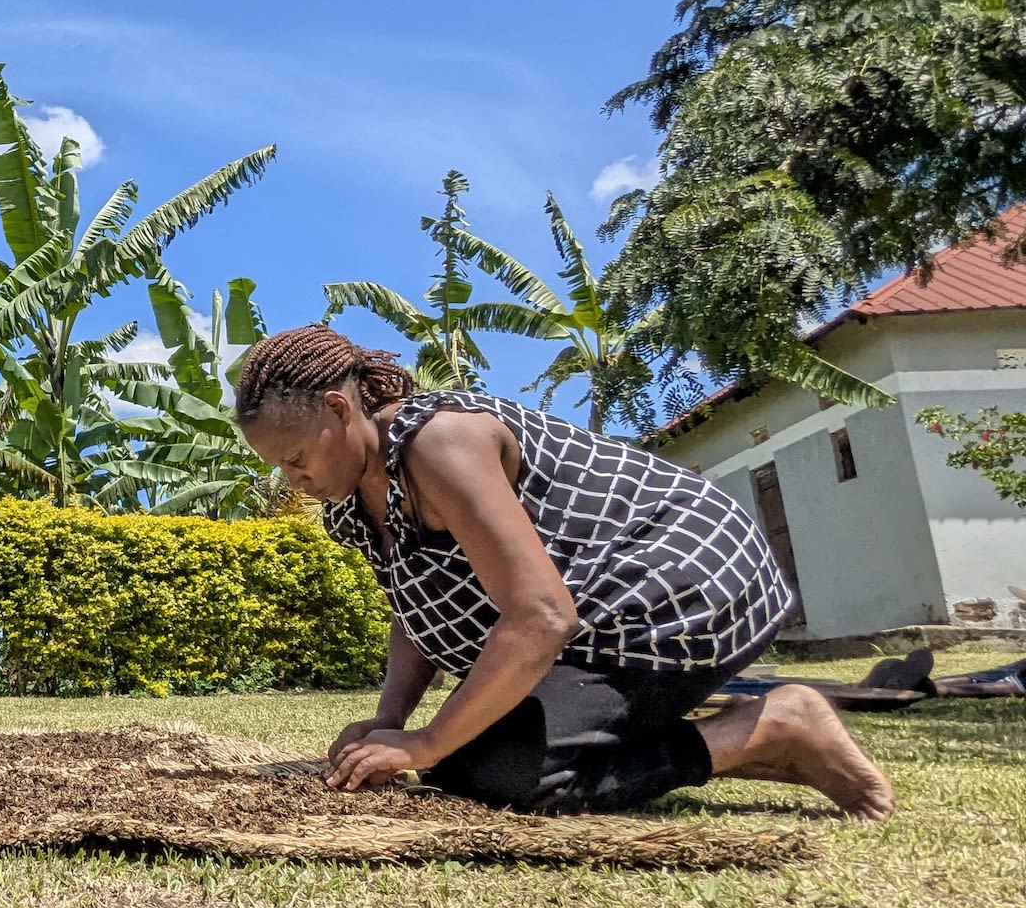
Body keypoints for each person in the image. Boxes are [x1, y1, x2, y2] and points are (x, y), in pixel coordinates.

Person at [230, 324, 893, 818]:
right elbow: (417, 607)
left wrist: (426, 740)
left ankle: (779, 726)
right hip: (595, 623)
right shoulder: (353, 501)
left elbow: (542, 617)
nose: (294, 479)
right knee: (464, 764)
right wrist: (390, 723)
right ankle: (750, 741)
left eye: (296, 457)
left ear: (340, 411)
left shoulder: (441, 444)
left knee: (508, 777)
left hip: (682, 585)